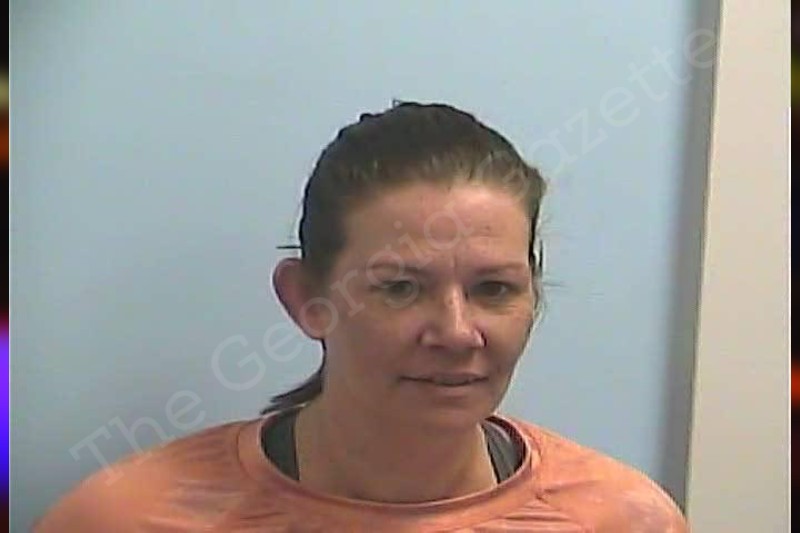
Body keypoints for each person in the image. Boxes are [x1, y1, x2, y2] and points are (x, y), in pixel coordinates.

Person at [35, 102, 688, 531]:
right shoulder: (129, 517)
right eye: (400, 288)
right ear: (306, 300)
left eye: (493, 288)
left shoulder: (618, 518)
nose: (456, 332)